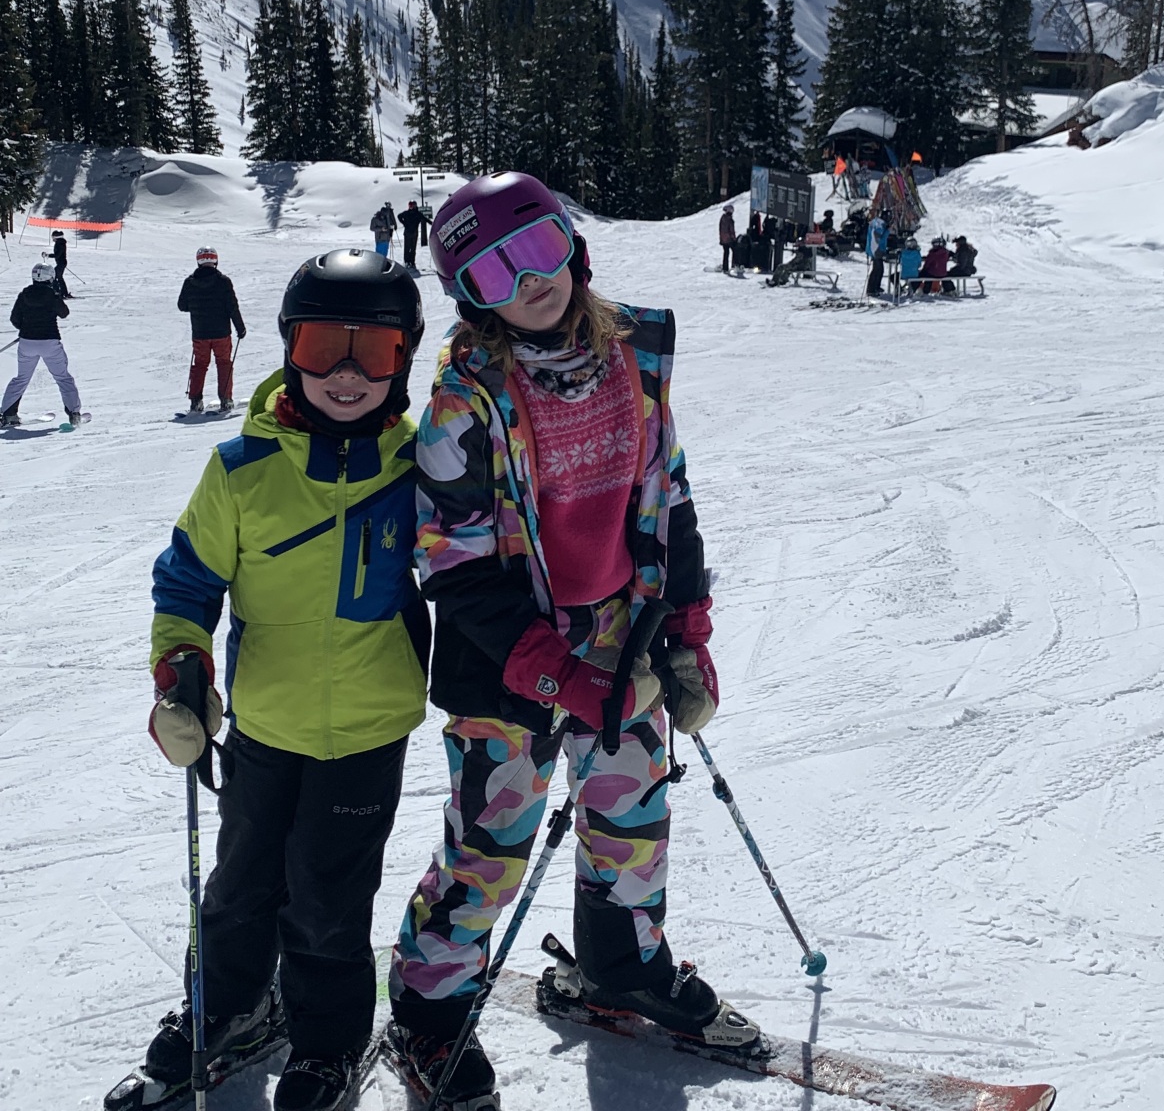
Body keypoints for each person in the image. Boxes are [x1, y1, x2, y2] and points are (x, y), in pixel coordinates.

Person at [386, 172, 759, 1108]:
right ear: (472, 294)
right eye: (498, 273)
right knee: (490, 842)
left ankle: (621, 967)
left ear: (572, 245)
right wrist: (558, 679)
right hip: (510, 663)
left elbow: (667, 496)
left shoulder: (636, 353)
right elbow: (455, 565)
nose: (531, 282)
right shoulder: (465, 399)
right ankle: (429, 1011)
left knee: (633, 820)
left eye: (542, 251)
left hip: (621, 639)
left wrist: (685, 627)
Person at [138, 250, 428, 1111]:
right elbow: (186, 583)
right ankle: (229, 1007)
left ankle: (326, 1044)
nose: (344, 373)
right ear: (288, 349)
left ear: (403, 358)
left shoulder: (426, 471)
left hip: (368, 730)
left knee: (329, 902)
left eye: (370, 351)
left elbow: (492, 563)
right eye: (319, 346)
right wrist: (182, 669)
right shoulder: (241, 471)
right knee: (240, 885)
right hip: (263, 722)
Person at [2, 262, 84, 426]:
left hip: (27, 343)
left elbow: (14, 319)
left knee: (21, 379)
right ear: (51, 277)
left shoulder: (24, 294)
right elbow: (64, 313)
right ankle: (74, 413)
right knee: (63, 378)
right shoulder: (52, 295)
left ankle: (7, 415)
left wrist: (27, 330)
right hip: (49, 342)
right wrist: (56, 298)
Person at [178, 248, 247, 414]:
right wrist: (240, 327)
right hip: (221, 333)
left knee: (200, 365)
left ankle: (195, 401)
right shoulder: (223, 281)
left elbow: (182, 306)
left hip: (200, 333)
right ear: (215, 261)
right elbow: (232, 307)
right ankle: (226, 400)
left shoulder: (190, 282)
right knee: (224, 364)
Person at [865, 214, 889, 297]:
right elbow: (877, 238)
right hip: (876, 250)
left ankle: (876, 287)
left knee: (880, 270)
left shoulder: (878, 223)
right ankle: (871, 289)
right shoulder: (878, 224)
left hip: (877, 249)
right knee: (876, 270)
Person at [48, 229, 71, 298]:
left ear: (56, 237)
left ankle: (59, 293)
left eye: (53, 237)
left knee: (55, 277)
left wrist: (48, 255)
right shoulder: (60, 243)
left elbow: (57, 255)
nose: (52, 239)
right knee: (59, 277)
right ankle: (63, 293)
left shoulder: (60, 244)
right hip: (61, 263)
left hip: (61, 263)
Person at [400, 200, 422, 269]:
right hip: (407, 233)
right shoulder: (406, 213)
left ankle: (412, 262)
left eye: (412, 205)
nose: (411, 206)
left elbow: (425, 219)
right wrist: (404, 223)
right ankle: (406, 261)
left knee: (413, 248)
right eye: (410, 205)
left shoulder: (418, 213)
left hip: (414, 234)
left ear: (415, 205)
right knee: (407, 248)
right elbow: (399, 216)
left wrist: (433, 224)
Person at [718, 202, 736, 273]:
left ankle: (725, 267)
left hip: (723, 239)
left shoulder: (722, 218)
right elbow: (731, 230)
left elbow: (720, 229)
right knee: (735, 251)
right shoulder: (730, 220)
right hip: (729, 239)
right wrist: (734, 238)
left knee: (726, 253)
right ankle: (734, 265)